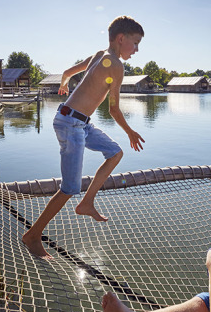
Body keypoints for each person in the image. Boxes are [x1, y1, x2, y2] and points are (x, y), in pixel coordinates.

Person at [22, 16, 145, 259]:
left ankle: (87, 203)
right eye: (135, 43)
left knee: (115, 153)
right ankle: (32, 235)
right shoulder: (116, 66)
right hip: (71, 125)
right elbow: (113, 110)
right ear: (121, 39)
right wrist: (130, 132)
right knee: (69, 188)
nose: (137, 50)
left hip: (77, 122)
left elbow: (68, 72)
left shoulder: (99, 55)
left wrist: (65, 83)